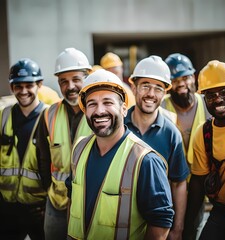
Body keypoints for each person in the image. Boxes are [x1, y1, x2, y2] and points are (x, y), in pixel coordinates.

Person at [67, 69, 174, 240]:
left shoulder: (145, 160)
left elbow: (160, 223)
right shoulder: (79, 148)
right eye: (92, 104)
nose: (99, 111)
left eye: (108, 102)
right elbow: (72, 200)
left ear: (123, 109)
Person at [125, 55, 190, 240]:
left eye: (158, 88)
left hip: (158, 226)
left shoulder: (171, 133)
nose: (151, 94)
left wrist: (177, 229)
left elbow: (178, 183)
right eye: (145, 85)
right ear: (134, 86)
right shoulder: (119, 127)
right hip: (121, 223)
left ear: (164, 93)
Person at [35, 47, 93, 240]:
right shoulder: (49, 114)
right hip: (57, 202)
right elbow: (43, 158)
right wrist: (48, 192)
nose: (70, 87)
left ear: (87, 78)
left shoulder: (100, 112)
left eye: (76, 79)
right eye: (63, 81)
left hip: (91, 203)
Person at [183, 60, 225, 240]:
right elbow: (198, 181)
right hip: (223, 209)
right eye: (210, 95)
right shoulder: (203, 133)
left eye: (224, 92)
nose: (217, 99)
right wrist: (188, 226)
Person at [162, 53, 211, 238]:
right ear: (168, 84)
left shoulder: (207, 105)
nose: (181, 83)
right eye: (175, 79)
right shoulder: (161, 107)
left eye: (185, 77)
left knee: (191, 230)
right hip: (168, 187)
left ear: (194, 77)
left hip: (199, 185)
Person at [0, 58, 47, 239]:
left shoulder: (50, 116)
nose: (23, 91)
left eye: (29, 85)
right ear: (12, 88)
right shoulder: (3, 116)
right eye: (18, 86)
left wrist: (49, 204)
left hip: (38, 208)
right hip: (7, 207)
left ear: (39, 84)